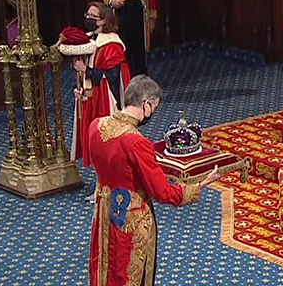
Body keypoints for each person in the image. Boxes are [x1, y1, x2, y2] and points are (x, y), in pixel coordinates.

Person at [87, 75, 221, 286]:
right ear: (146, 105)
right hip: (131, 221)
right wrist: (200, 184)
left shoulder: (96, 126)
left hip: (104, 212)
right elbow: (163, 193)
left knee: (104, 267)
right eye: (154, 108)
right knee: (127, 274)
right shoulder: (136, 142)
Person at [67, 2, 131, 169]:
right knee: (93, 145)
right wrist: (79, 87)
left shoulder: (111, 45)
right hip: (89, 99)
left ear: (103, 21)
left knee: (105, 145)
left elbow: (112, 77)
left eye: (92, 17)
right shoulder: (88, 40)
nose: (88, 19)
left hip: (105, 101)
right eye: (87, 15)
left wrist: (86, 71)